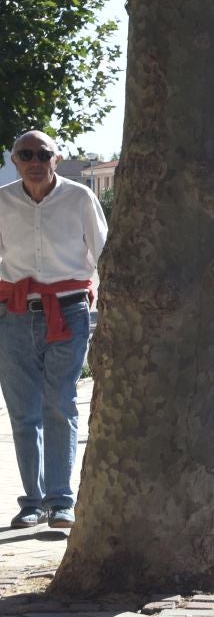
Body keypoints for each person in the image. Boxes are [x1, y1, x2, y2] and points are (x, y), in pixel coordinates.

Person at [0, 130, 107, 530]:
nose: (35, 161)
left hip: (68, 310)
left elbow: (104, 253)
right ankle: (32, 501)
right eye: (26, 154)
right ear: (14, 161)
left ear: (56, 159)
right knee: (23, 412)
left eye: (42, 154)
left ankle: (61, 500)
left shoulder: (80, 198)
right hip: (13, 314)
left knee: (60, 403)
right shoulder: (2, 201)